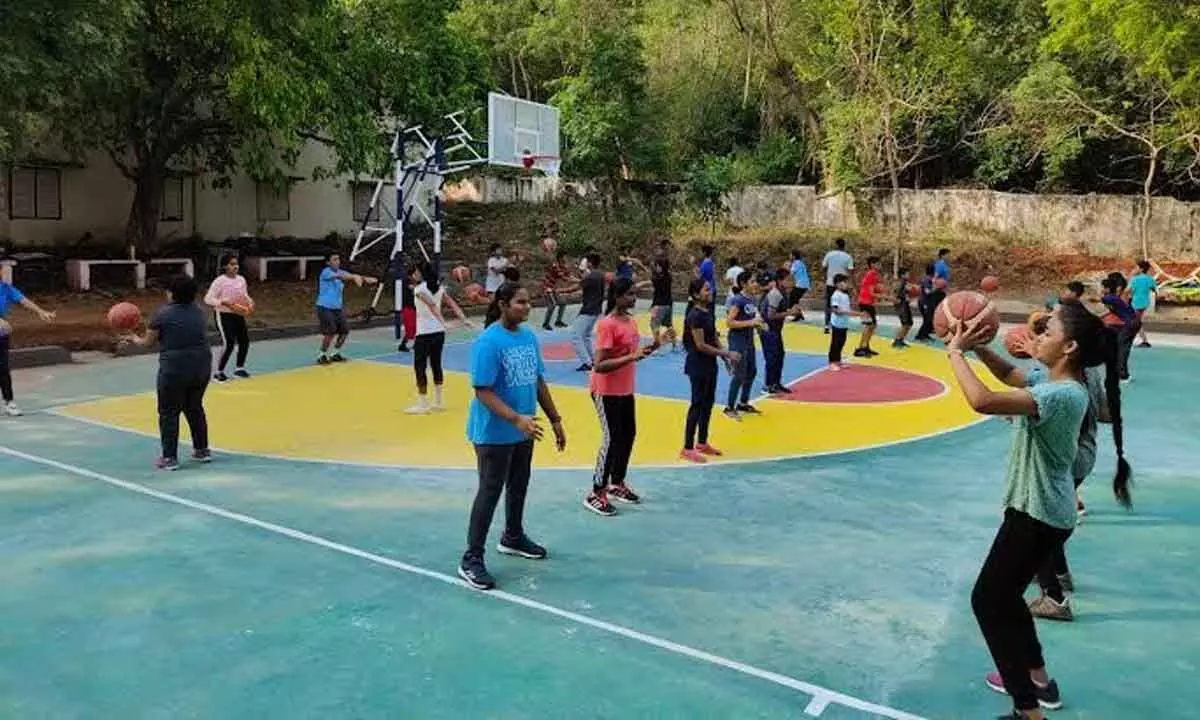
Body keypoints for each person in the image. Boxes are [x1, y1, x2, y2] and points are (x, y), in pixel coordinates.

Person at [945, 301, 1129, 720]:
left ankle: (1027, 710)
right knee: (1006, 598)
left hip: (1038, 514)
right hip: (1041, 512)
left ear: (1070, 347)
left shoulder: (1062, 394)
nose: (1039, 335)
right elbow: (1011, 375)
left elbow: (984, 400)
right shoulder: (1056, 382)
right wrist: (978, 348)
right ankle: (1041, 684)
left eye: (1049, 332)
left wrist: (955, 353)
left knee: (988, 601)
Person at [459, 282, 566, 591]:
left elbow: (537, 380)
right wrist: (516, 418)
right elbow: (483, 391)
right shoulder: (489, 342)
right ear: (503, 304)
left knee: (519, 484)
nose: (527, 307)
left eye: (528, 302)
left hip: (524, 428)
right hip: (494, 432)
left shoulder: (529, 337)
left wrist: (555, 418)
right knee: (490, 490)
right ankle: (471, 558)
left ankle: (513, 536)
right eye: (520, 302)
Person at [121, 274, 214, 471]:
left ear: (171, 294)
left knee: (168, 412)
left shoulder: (162, 314)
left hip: (175, 367)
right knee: (194, 407)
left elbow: (147, 343)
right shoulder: (200, 312)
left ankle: (170, 458)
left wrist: (133, 337)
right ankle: (202, 450)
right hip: (202, 364)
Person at [585, 278, 659, 517]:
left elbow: (633, 354)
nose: (633, 298)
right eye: (628, 294)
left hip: (625, 389)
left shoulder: (630, 322)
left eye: (634, 294)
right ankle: (596, 491)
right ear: (616, 297)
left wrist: (657, 344)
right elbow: (600, 365)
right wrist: (632, 357)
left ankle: (617, 482)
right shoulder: (607, 325)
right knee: (612, 438)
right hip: (605, 390)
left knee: (628, 434)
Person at [680, 279, 739, 464]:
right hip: (697, 365)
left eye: (709, 288)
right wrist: (726, 352)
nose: (710, 291)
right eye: (706, 289)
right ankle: (687, 447)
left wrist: (724, 358)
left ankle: (702, 442)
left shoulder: (708, 312)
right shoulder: (695, 315)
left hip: (710, 364)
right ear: (696, 295)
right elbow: (700, 345)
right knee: (696, 404)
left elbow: (712, 337)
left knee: (708, 403)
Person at [407, 262, 472, 414]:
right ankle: (438, 401)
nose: (414, 274)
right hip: (438, 333)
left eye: (416, 272)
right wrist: (464, 319)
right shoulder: (439, 289)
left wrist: (444, 321)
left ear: (421, 273)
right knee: (436, 364)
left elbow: (431, 305)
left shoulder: (419, 289)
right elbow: (452, 303)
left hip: (424, 333)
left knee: (420, 367)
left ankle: (423, 403)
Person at [0, 263, 56, 417]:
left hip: (2, 334)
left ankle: (9, 402)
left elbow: (23, 300)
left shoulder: (6, 288)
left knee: (3, 369)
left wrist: (41, 312)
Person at [316, 252, 377, 364]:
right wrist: (354, 277)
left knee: (344, 331)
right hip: (324, 307)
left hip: (337, 308)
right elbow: (343, 277)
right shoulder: (325, 272)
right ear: (328, 263)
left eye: (338, 259)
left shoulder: (341, 272)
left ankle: (335, 353)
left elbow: (351, 276)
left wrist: (366, 279)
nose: (337, 261)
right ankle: (322, 355)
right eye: (334, 259)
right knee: (331, 332)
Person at [204, 253, 254, 382]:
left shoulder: (241, 280)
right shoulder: (220, 281)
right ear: (225, 266)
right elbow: (208, 299)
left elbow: (244, 294)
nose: (235, 267)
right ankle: (218, 372)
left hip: (237, 313)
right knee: (229, 343)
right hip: (223, 314)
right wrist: (223, 303)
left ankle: (239, 368)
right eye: (232, 264)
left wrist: (249, 302)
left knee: (244, 340)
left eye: (236, 264)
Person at [723, 271, 766, 419]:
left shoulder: (752, 299)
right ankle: (729, 407)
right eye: (752, 281)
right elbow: (729, 322)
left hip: (748, 339)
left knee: (751, 371)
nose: (756, 284)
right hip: (737, 340)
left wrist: (759, 325)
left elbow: (753, 318)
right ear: (743, 284)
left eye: (755, 281)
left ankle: (743, 402)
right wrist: (750, 323)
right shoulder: (738, 300)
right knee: (739, 374)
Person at [759, 269, 798, 394]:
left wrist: (790, 311)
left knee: (779, 355)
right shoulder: (775, 294)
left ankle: (776, 382)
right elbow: (770, 315)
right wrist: (789, 313)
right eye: (788, 280)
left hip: (775, 329)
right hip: (768, 329)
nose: (791, 282)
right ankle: (768, 384)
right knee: (772, 356)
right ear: (780, 281)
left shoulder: (784, 293)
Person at [1100, 273, 1138, 382]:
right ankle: (1121, 372)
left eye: (1102, 288)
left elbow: (1096, 301)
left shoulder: (1110, 298)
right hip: (1130, 323)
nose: (1101, 290)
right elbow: (1107, 311)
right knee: (1119, 347)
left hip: (1130, 324)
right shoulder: (1114, 298)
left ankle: (1123, 375)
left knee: (1122, 349)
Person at [571, 252, 605, 371]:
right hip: (596, 308)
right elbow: (583, 283)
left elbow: (578, 286)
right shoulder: (600, 275)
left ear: (590, 263)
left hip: (588, 309)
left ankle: (587, 362)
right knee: (586, 335)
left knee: (576, 335)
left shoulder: (591, 277)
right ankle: (592, 359)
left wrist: (561, 290)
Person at [822, 239, 854, 333]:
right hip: (843, 284)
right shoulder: (848, 257)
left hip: (830, 283)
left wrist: (826, 277)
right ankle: (841, 325)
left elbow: (823, 267)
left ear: (835, 245)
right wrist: (851, 285)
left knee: (829, 305)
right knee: (843, 305)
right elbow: (851, 271)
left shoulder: (829, 254)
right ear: (844, 246)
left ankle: (827, 325)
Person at [648, 247, 677, 352]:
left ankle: (657, 346)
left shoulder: (657, 279)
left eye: (657, 266)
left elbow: (650, 281)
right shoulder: (669, 276)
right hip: (669, 304)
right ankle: (674, 344)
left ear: (660, 267)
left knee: (654, 325)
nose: (656, 267)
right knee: (669, 325)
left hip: (659, 305)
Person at [854, 255, 883, 357]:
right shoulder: (871, 274)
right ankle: (860, 348)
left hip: (868, 302)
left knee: (872, 325)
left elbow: (872, 289)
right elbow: (871, 293)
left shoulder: (874, 274)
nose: (880, 265)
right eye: (878, 264)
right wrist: (886, 297)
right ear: (872, 265)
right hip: (864, 302)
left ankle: (866, 346)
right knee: (869, 325)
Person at [827, 274, 858, 371]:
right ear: (837, 284)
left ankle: (838, 361)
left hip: (844, 323)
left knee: (841, 342)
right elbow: (836, 310)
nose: (845, 284)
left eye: (846, 282)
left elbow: (847, 307)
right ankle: (832, 362)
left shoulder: (845, 295)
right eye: (843, 282)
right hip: (837, 323)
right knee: (835, 343)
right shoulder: (836, 295)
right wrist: (854, 313)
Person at [541, 251, 573, 330]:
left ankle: (558, 321)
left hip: (553, 288)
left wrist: (579, 280)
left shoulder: (563, 266)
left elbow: (570, 276)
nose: (566, 259)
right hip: (547, 287)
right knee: (552, 305)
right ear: (560, 258)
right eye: (565, 257)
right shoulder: (555, 265)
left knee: (563, 303)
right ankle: (545, 324)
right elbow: (564, 278)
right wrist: (579, 281)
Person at [1128, 260, 1157, 347]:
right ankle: (1143, 340)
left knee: (1134, 322)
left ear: (1141, 269)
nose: (1135, 269)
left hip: (1136, 303)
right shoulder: (1150, 279)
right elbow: (1154, 289)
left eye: (1136, 267)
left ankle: (1142, 340)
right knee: (1137, 321)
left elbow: (1128, 290)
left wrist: (1130, 276)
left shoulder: (1135, 279)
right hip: (1144, 303)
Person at [915, 262, 944, 342]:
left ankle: (925, 334)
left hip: (927, 302)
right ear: (933, 271)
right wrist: (936, 288)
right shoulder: (927, 279)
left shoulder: (929, 278)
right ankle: (920, 335)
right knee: (927, 319)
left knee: (929, 319)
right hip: (924, 302)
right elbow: (927, 291)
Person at [892, 266, 915, 349]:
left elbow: (905, 293)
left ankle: (900, 339)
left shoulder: (904, 282)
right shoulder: (901, 283)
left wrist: (907, 296)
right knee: (906, 323)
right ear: (902, 275)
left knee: (909, 323)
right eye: (907, 274)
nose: (909, 275)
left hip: (904, 304)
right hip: (901, 305)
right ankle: (897, 340)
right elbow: (897, 294)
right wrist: (902, 298)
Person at [395, 268, 417, 353]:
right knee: (410, 328)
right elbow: (412, 288)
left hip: (414, 308)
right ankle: (403, 345)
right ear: (410, 275)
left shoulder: (416, 283)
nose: (417, 276)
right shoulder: (406, 282)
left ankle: (416, 344)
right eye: (415, 274)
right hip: (408, 308)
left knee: (416, 328)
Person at [788, 250, 810, 321]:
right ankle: (799, 315)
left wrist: (787, 266)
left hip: (800, 284)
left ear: (794, 256)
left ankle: (798, 315)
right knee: (795, 299)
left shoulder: (795, 263)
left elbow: (791, 273)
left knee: (792, 300)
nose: (789, 256)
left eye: (790, 255)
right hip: (804, 284)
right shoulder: (801, 263)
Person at [697, 245, 717, 312]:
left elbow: (698, 277)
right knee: (711, 311)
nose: (699, 254)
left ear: (704, 253)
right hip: (712, 289)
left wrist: (692, 266)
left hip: (707, 291)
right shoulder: (711, 263)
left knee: (706, 311)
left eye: (700, 252)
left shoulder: (705, 264)